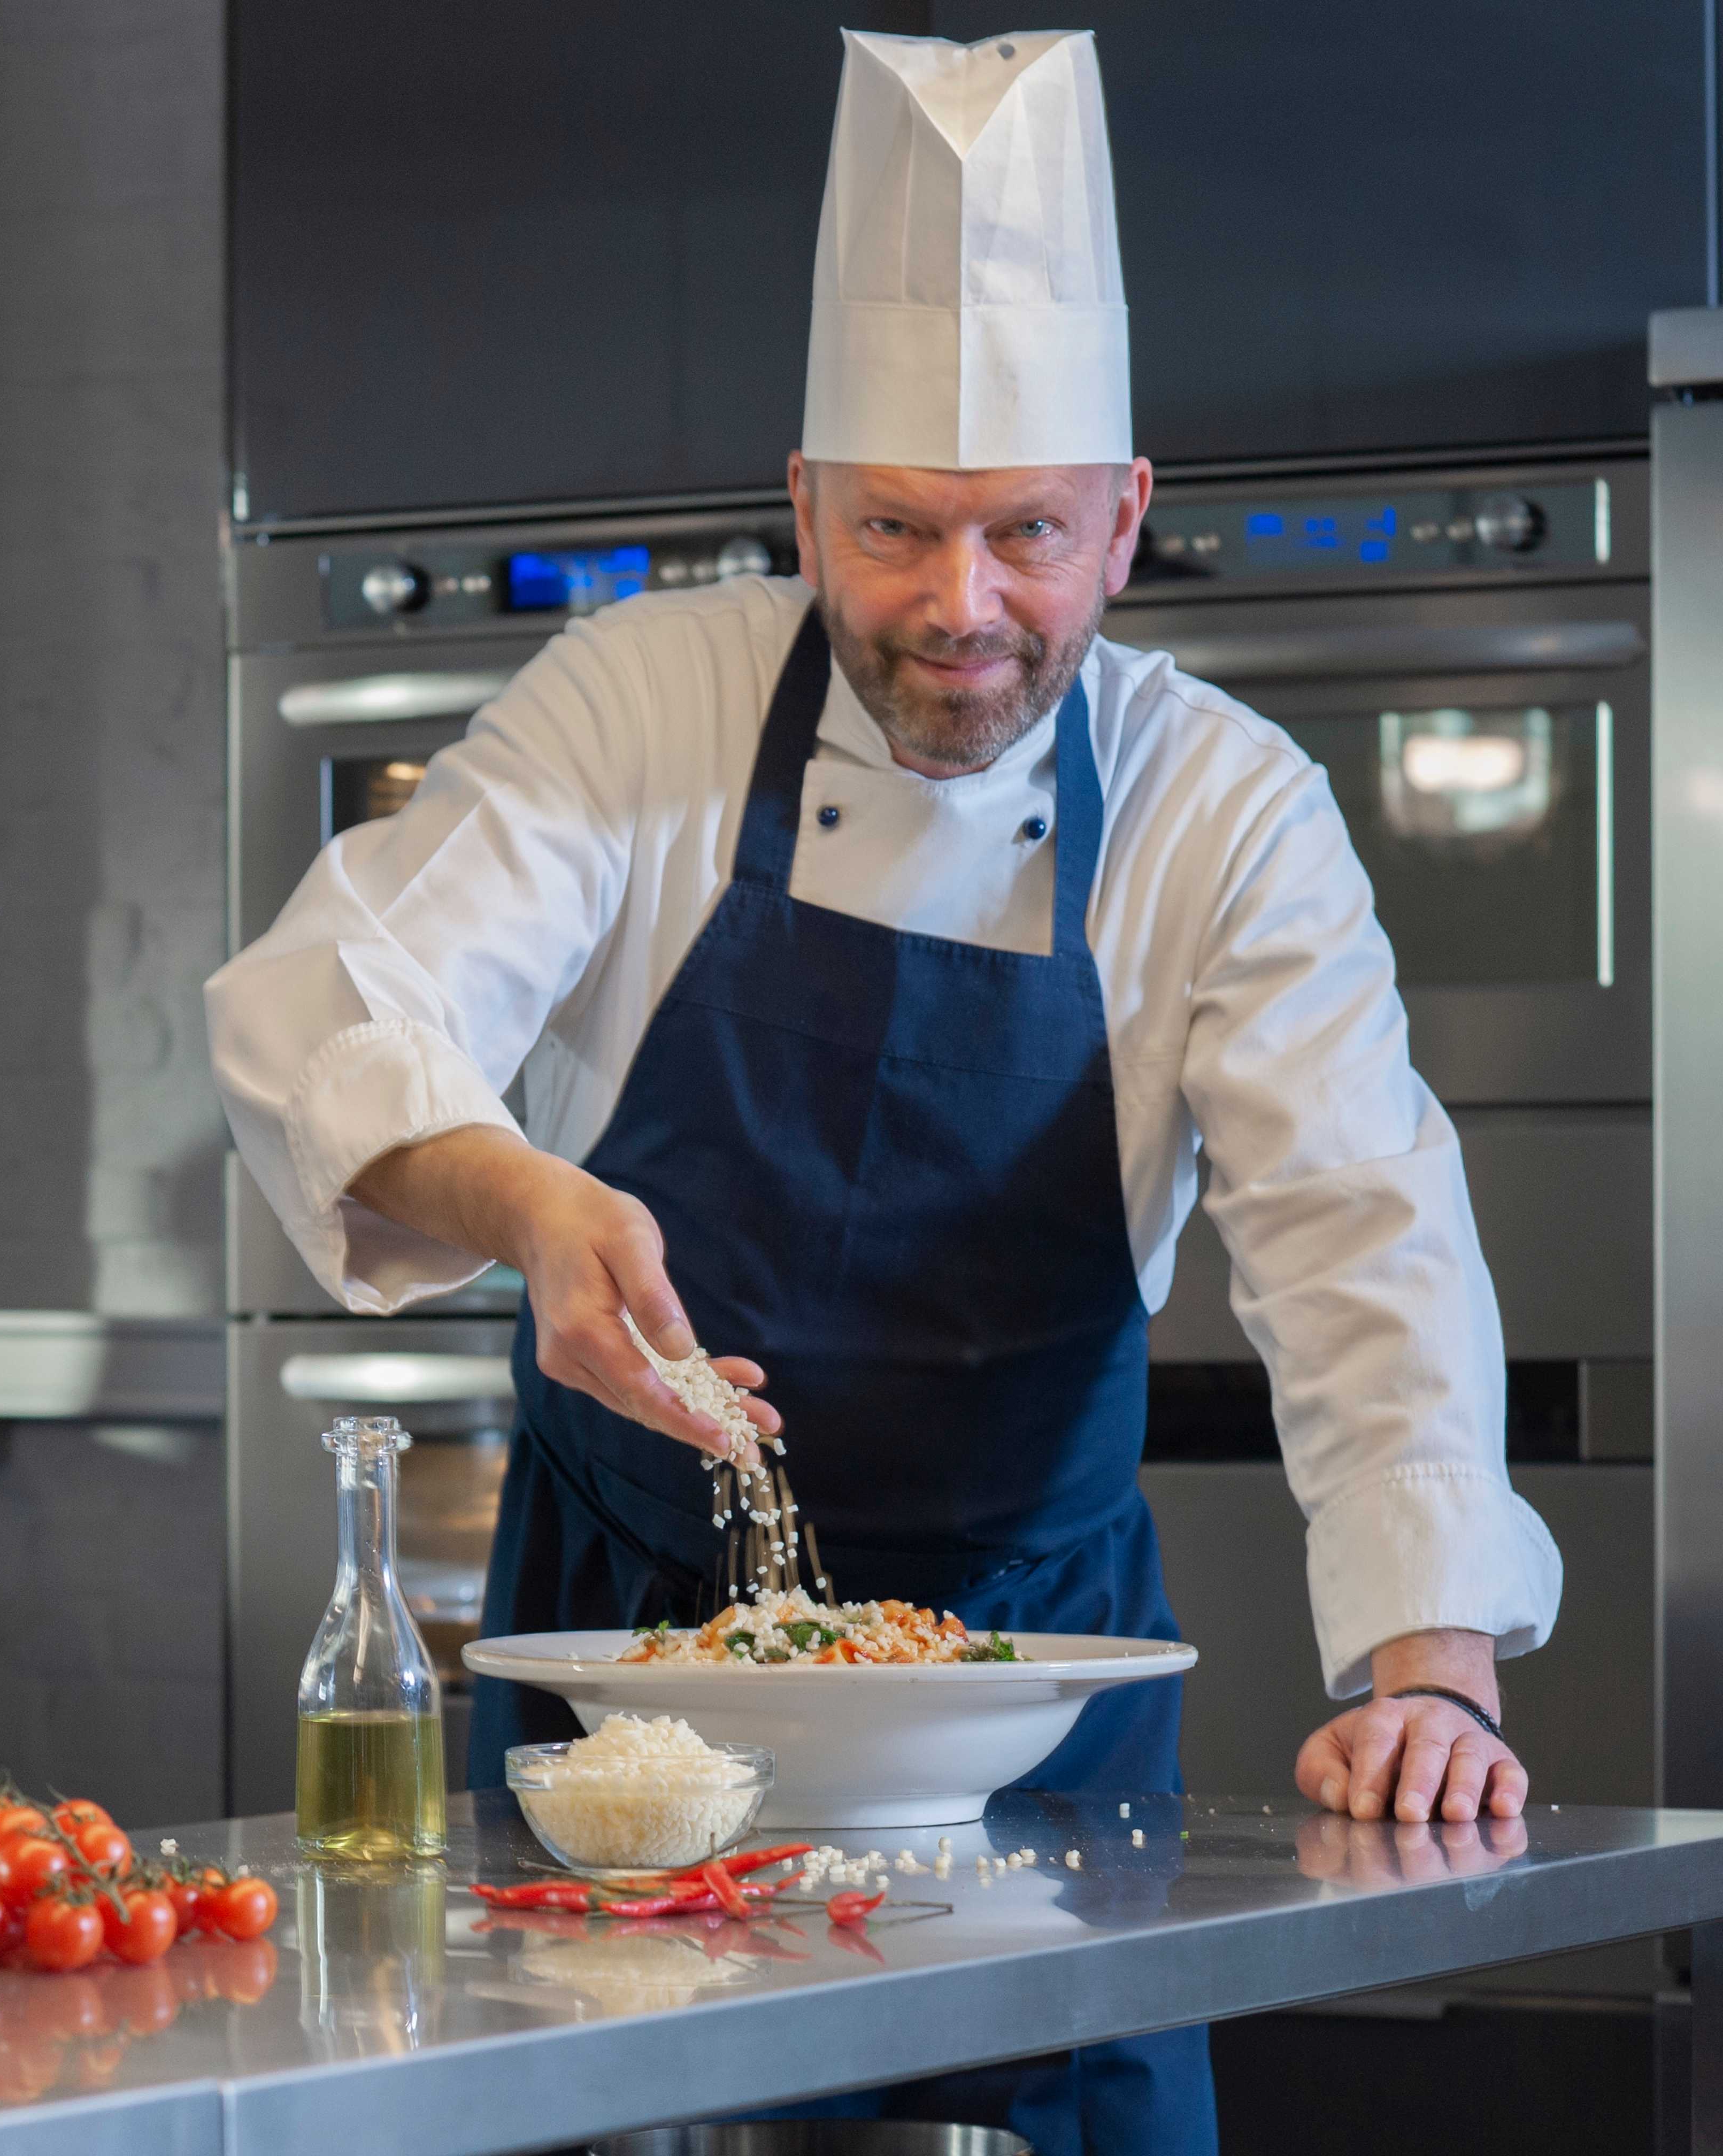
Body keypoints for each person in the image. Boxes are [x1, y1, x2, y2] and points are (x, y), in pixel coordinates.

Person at [207, 28, 1562, 2153]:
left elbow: (1359, 1229)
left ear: (1124, 521)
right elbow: (339, 989)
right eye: (899, 534)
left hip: (1038, 1689)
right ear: (803, 505)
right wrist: (525, 1202)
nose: (961, 610)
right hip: (627, 1682)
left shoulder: (1226, 812)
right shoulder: (643, 698)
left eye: (1025, 534)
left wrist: (1429, 1670)